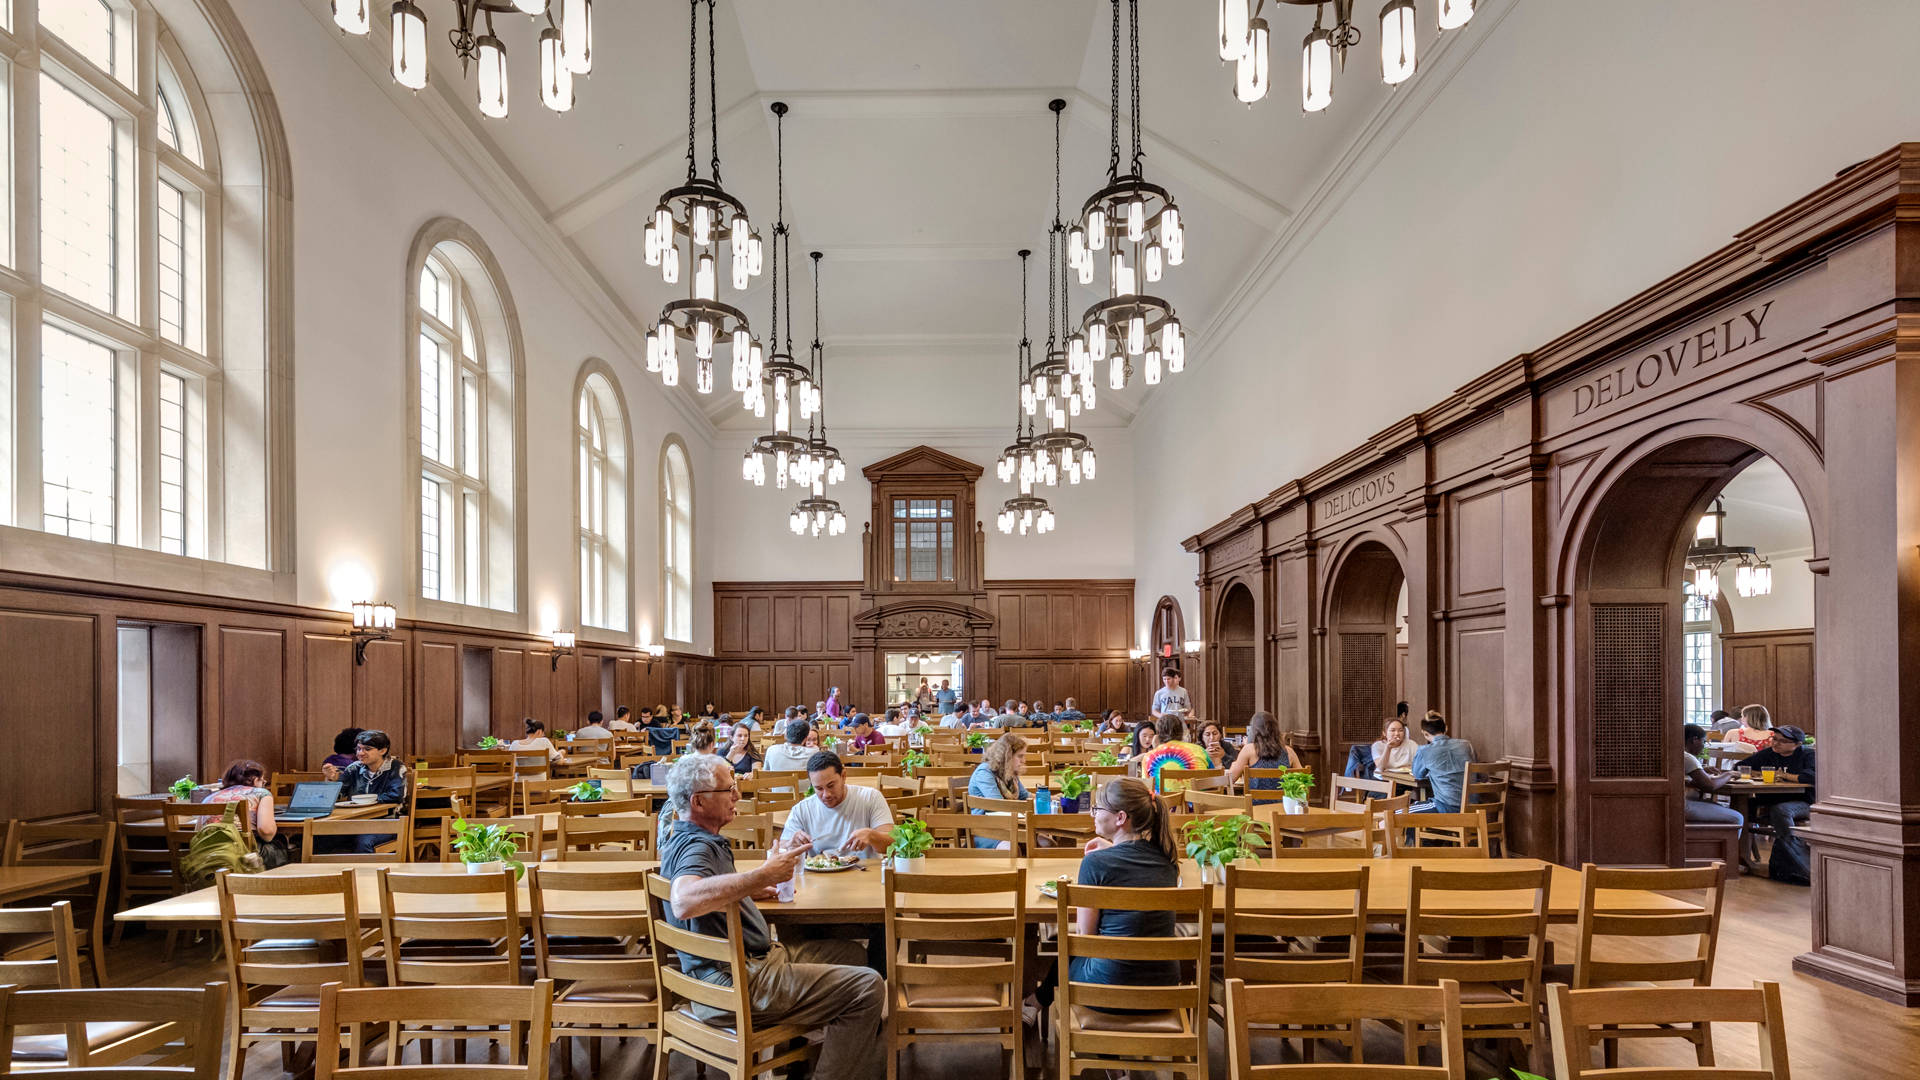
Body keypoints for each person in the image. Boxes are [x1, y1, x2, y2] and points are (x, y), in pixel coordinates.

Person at [658, 754, 884, 1079]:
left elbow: (702, 895)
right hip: (736, 982)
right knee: (868, 987)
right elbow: (683, 901)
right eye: (729, 790)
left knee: (853, 954)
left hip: (748, 964)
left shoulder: (682, 839)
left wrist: (747, 892)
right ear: (699, 802)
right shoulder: (698, 847)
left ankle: (810, 1051)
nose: (737, 796)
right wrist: (761, 876)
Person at [1072, 777, 1181, 1008]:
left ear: (1120, 818)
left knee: (1068, 952)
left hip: (1109, 989)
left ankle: (1033, 1006)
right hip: (1164, 988)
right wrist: (1113, 848)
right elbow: (1132, 861)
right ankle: (1035, 1003)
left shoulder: (1095, 864)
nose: (1093, 814)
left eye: (1097, 809)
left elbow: (1086, 936)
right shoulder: (1168, 861)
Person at [1739, 725, 1817, 885]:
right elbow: (1740, 766)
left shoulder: (1807, 754)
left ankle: (1797, 859)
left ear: (1797, 744)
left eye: (1783, 741)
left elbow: (1810, 777)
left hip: (1804, 802)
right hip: (1769, 799)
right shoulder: (1768, 754)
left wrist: (1783, 776)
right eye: (1774, 738)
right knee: (1741, 808)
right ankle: (1740, 858)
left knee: (1781, 811)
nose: (1776, 743)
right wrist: (1760, 774)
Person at [779, 752, 895, 858]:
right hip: (819, 878)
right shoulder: (802, 809)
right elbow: (781, 849)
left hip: (864, 874)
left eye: (831, 785)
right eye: (819, 788)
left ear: (843, 776)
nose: (826, 795)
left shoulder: (870, 797)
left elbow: (894, 844)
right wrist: (790, 844)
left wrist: (872, 836)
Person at [322, 729, 407, 853]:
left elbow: (396, 795)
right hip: (355, 821)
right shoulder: (353, 768)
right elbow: (337, 796)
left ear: (383, 750)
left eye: (367, 749)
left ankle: (367, 873)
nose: (360, 753)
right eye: (358, 749)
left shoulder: (396, 767)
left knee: (364, 842)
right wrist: (332, 780)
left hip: (387, 822)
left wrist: (367, 800)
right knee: (320, 838)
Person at [203, 760, 282, 854]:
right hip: (244, 856)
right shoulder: (262, 793)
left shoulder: (209, 798)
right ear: (256, 780)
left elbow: (198, 832)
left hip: (209, 856)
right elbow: (267, 832)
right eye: (263, 782)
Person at [967, 734, 1029, 848]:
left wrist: (1052, 798)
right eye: (1020, 756)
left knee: (1044, 841)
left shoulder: (1009, 771)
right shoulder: (984, 772)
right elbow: (999, 805)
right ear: (1007, 757)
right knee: (1010, 848)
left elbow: (1025, 796)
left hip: (1010, 824)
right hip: (984, 829)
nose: (1023, 760)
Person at [1681, 724, 1744, 825]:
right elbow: (1711, 785)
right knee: (1737, 817)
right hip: (1684, 805)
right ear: (1695, 740)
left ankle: (1714, 840)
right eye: (1704, 741)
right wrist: (1729, 773)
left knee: (1720, 807)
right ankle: (1724, 840)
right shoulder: (1687, 757)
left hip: (1675, 803)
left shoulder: (1676, 753)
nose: (1704, 745)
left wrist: (1703, 770)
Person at [1409, 714, 1473, 813]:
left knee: (1395, 816)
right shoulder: (1466, 745)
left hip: (1446, 807)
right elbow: (1481, 776)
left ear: (1425, 733)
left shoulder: (1425, 750)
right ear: (1445, 728)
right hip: (1473, 808)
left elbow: (1417, 775)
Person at [1224, 712, 1302, 791]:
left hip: (1255, 803)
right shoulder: (1289, 751)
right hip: (1283, 802)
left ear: (1254, 731)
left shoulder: (1248, 750)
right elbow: (1302, 780)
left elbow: (1230, 780)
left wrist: (1233, 766)